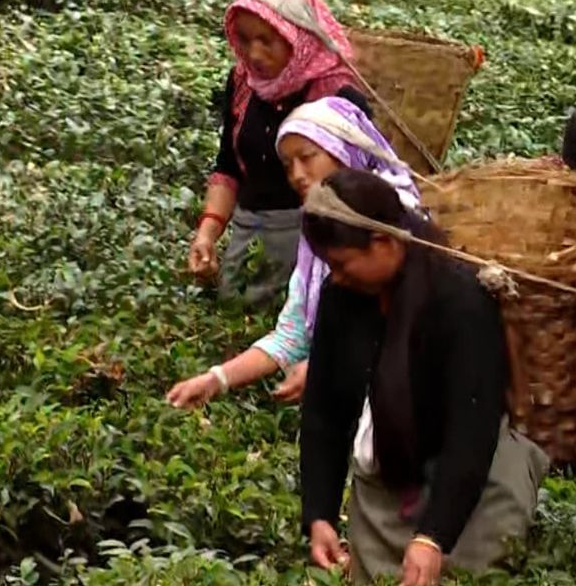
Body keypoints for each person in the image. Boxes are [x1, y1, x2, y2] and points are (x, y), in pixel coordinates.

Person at [299, 169, 550, 586]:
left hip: (474, 476)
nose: (335, 277)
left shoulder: (461, 301)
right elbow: (325, 408)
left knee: (470, 580)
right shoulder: (343, 297)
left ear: (385, 243)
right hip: (394, 476)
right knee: (378, 584)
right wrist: (319, 513)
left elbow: (472, 430)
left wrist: (434, 536)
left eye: (341, 264)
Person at [168, 97, 418, 408]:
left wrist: (327, 371)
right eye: (288, 165)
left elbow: (408, 341)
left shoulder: (396, 227)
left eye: (307, 157)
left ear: (343, 151)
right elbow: (292, 335)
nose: (297, 175)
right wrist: (215, 379)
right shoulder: (317, 234)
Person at [188, 0, 371, 307]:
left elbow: (360, 191)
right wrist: (207, 233)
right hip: (250, 229)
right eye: (244, 40)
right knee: (234, 308)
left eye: (266, 40)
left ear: (296, 37)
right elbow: (228, 163)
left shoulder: (335, 98)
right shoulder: (244, 82)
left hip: (312, 240)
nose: (254, 54)